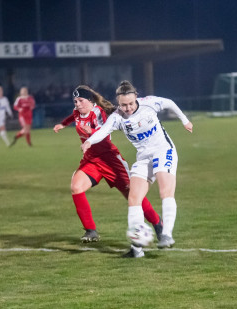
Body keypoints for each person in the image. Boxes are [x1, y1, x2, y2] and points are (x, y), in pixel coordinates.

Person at [81, 80, 193, 258]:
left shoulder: (149, 103)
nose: (128, 108)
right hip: (143, 158)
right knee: (134, 199)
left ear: (136, 98)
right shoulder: (117, 117)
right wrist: (89, 141)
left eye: (131, 103)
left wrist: (185, 121)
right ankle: (137, 249)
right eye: (123, 105)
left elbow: (169, 103)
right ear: (118, 103)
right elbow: (103, 131)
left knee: (165, 191)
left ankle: (166, 235)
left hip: (163, 151)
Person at [54, 85, 163, 243]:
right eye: (75, 101)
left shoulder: (98, 112)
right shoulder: (76, 112)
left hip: (110, 159)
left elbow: (104, 132)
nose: (77, 104)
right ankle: (91, 230)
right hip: (91, 160)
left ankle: (157, 222)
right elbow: (73, 118)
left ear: (90, 100)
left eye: (80, 100)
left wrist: (91, 133)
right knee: (76, 187)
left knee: (132, 194)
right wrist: (63, 124)